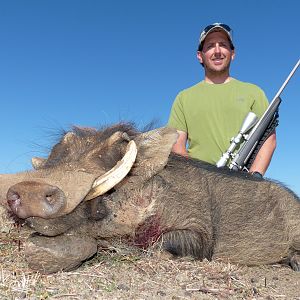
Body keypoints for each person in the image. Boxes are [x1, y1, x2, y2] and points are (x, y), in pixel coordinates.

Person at [168, 22, 276, 176]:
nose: (217, 51)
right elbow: (177, 146)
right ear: (200, 56)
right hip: (198, 185)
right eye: (210, 46)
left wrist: (254, 177)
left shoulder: (254, 92)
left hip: (241, 185)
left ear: (233, 53)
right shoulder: (183, 97)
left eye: (223, 45)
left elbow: (268, 140)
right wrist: (195, 179)